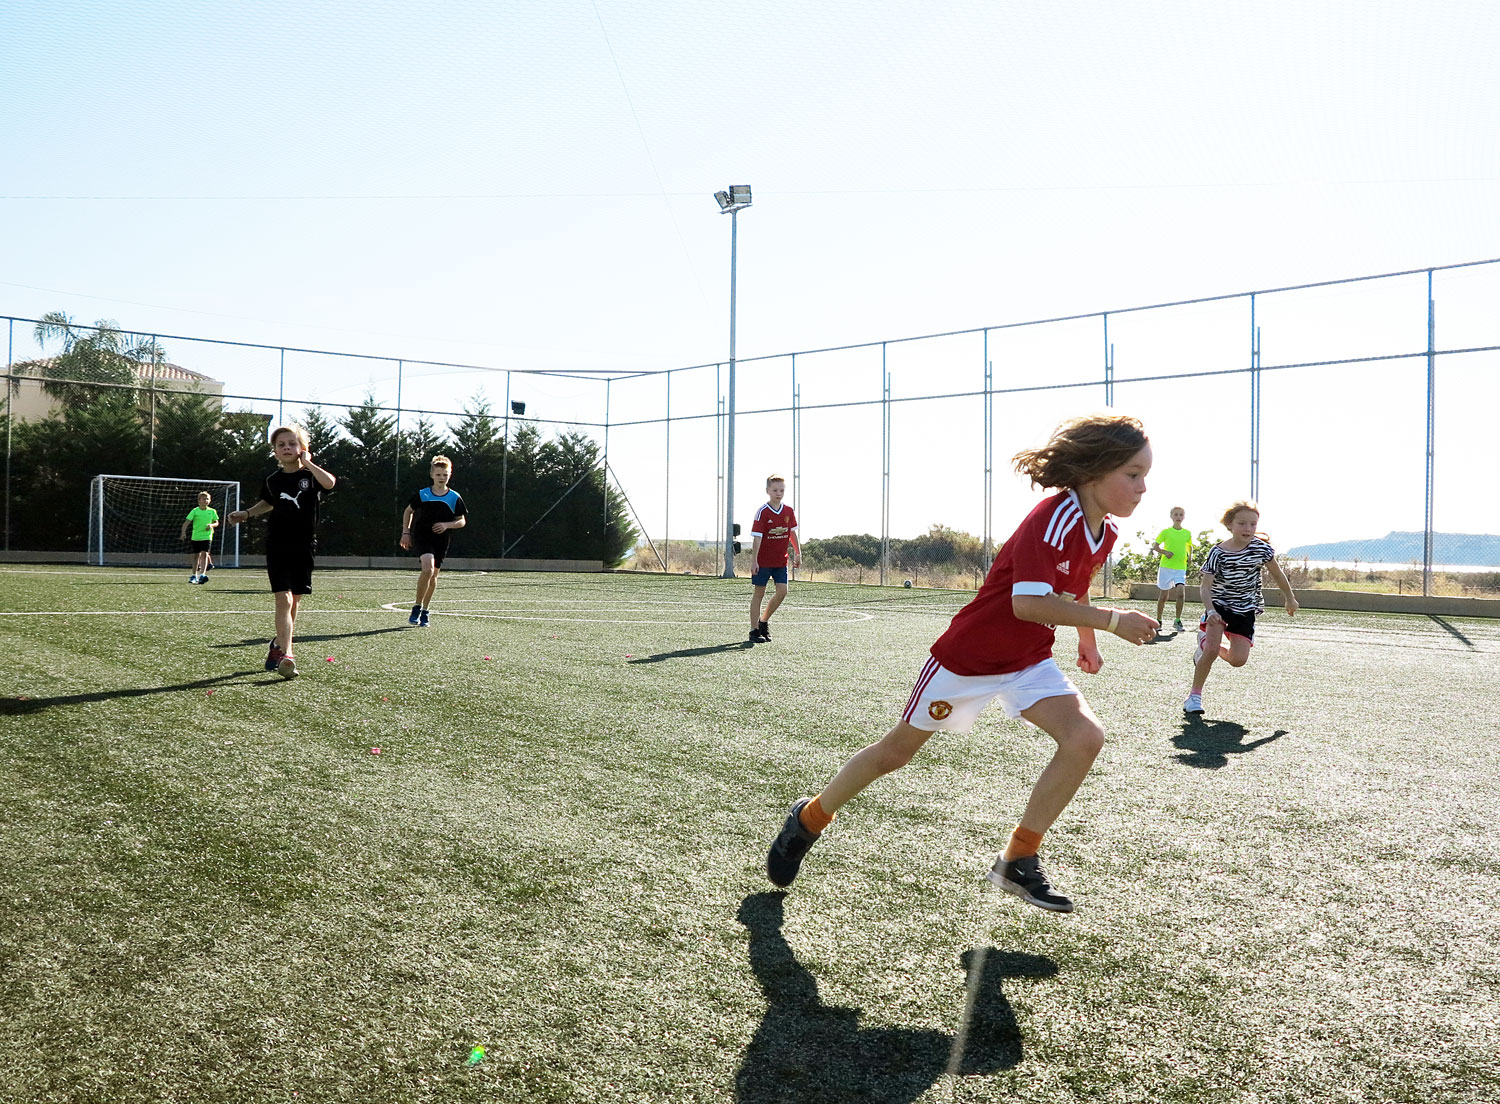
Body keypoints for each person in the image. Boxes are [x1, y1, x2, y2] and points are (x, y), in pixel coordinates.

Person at [765, 414, 1158, 913]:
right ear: (1094, 471)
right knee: (894, 754)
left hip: (1028, 660)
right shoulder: (1052, 519)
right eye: (1133, 474)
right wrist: (1111, 620)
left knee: (1085, 737)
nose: (1143, 487)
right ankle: (809, 819)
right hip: (968, 659)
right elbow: (1027, 603)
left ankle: (1018, 858)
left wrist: (1087, 638)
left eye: (1145, 475)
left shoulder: (1105, 532)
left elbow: (1071, 588)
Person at [226, 426, 336, 679]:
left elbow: (329, 483)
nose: (287, 447)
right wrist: (247, 513)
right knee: (283, 599)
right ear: (275, 451)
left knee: (294, 600)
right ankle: (288, 655)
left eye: (292, 443)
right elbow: (269, 502)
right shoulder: (272, 480)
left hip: (304, 545)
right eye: (281, 444)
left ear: (302, 448)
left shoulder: (311, 476)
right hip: (277, 543)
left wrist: (309, 463)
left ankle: (278, 643)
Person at [1183, 500, 1297, 715]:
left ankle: (1206, 644)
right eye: (1242, 523)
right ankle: (1194, 697)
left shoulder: (1261, 549)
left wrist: (1290, 598)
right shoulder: (1218, 552)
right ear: (1230, 525)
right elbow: (1205, 587)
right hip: (1219, 605)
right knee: (1211, 651)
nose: (1248, 528)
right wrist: (1211, 611)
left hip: (1245, 609)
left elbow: (1278, 574)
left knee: (1238, 660)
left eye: (1253, 524)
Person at [399, 455, 468, 627]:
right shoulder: (423, 494)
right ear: (432, 475)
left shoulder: (454, 497)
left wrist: (447, 525)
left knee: (434, 575)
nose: (442, 478)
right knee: (427, 569)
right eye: (438, 474)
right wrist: (406, 532)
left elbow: (461, 521)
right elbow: (408, 511)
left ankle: (425, 610)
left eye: (445, 474)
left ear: (450, 475)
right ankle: (417, 606)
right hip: (423, 537)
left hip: (441, 540)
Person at [748, 475, 800, 643]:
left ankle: (763, 621)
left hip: (780, 561)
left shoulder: (788, 511)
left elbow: (792, 533)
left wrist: (798, 552)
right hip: (763, 562)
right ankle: (754, 630)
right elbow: (757, 538)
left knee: (782, 591)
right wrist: (754, 561)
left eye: (782, 490)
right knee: (759, 593)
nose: (779, 493)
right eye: (775, 490)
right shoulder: (762, 512)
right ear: (768, 491)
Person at [1150, 506, 1192, 631]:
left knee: (1181, 594)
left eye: (1181, 514)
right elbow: (1155, 546)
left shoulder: (1187, 533)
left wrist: (1190, 557)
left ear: (1184, 517)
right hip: (1166, 568)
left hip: (1180, 568)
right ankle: (1158, 620)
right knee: (1163, 596)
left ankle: (1177, 621)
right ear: (1171, 516)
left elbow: (1190, 546)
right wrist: (1165, 552)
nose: (1178, 517)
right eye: (1176, 514)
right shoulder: (1166, 532)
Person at [180, 490, 219, 584]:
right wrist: (183, 533)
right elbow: (186, 523)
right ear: (199, 500)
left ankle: (202, 575)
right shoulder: (195, 511)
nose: (206, 500)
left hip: (207, 536)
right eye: (203, 499)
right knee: (196, 555)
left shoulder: (212, 511)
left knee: (205, 554)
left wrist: (211, 525)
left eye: (207, 499)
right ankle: (194, 575)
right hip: (196, 536)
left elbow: (216, 522)